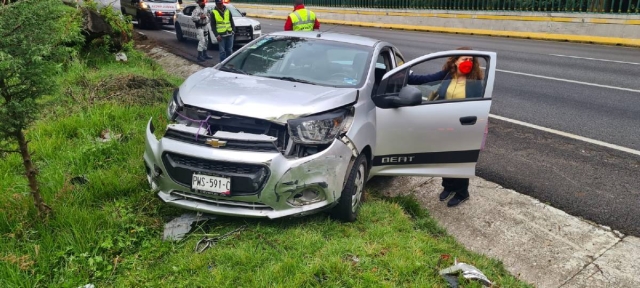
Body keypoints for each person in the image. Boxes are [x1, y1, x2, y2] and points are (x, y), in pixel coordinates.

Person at [407, 46, 485, 207]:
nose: (468, 62)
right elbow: (424, 80)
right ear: (455, 61)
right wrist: (403, 75)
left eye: (471, 60)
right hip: (444, 124)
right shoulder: (447, 75)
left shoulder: (475, 82)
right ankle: (448, 187)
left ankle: (462, 192)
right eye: (464, 59)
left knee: (459, 161)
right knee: (443, 157)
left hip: (463, 126)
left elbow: (478, 107)